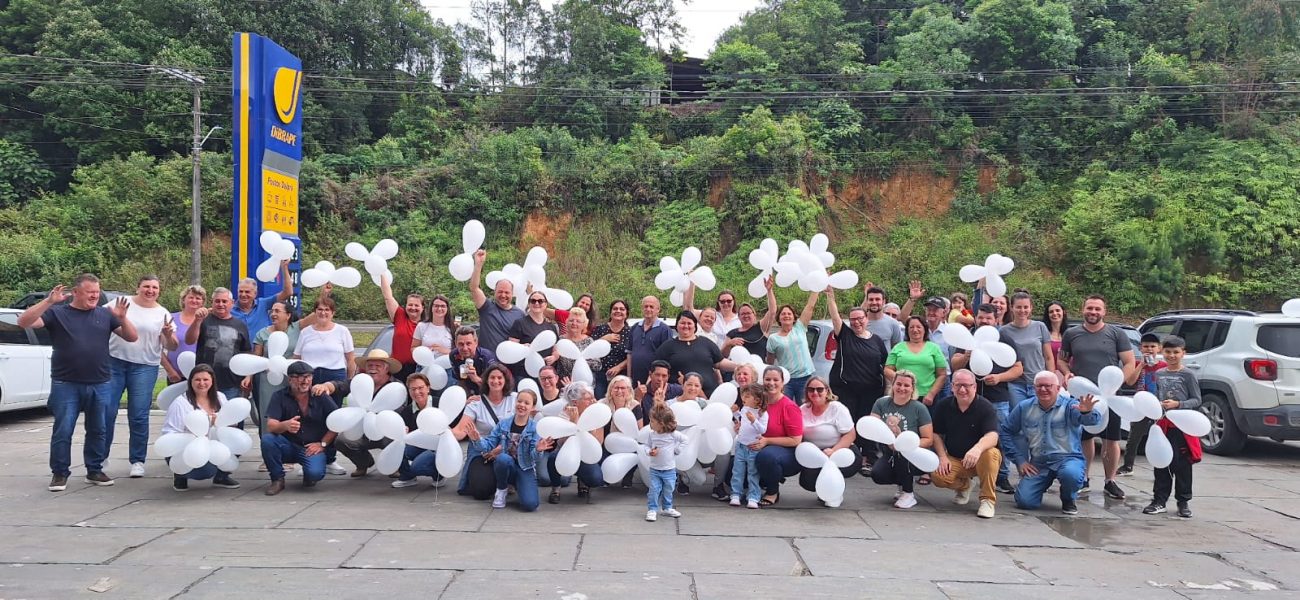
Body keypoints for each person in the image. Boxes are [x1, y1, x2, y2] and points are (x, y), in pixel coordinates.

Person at [20, 276, 138, 492]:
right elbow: (24, 322)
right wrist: (48, 301)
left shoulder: (105, 314)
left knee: (98, 430)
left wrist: (122, 318)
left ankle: (94, 470)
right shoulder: (58, 313)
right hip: (66, 383)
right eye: (89, 291)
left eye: (97, 291)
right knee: (63, 429)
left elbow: (132, 338)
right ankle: (59, 473)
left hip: (100, 382)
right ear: (76, 292)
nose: (95, 295)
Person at [1059, 295, 1137, 500]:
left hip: (1111, 397)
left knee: (1111, 440)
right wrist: (1067, 373)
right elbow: (1062, 360)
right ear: (1083, 309)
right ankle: (1083, 479)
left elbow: (1129, 362)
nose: (1093, 312)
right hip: (1083, 395)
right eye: (1089, 308)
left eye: (1097, 309)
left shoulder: (1116, 333)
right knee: (1084, 438)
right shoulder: (1071, 333)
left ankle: (1110, 481)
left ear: (1104, 311)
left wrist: (1119, 383)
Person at [107, 275, 178, 478]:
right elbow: (100, 321)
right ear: (138, 287)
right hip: (115, 362)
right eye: (146, 286)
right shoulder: (120, 303)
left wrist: (168, 334)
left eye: (154, 287)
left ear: (159, 290)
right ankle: (100, 459)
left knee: (138, 415)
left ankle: (137, 460)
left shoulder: (162, 313)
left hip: (145, 366)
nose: (150, 290)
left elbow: (171, 345)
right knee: (106, 412)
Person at [1002, 371, 1101, 514]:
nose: (1043, 389)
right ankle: (1038, 486)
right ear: (1034, 387)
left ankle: (1068, 498)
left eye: (1048, 386)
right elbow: (1005, 431)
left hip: (1068, 458)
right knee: (1025, 502)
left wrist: (1087, 412)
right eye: (1039, 386)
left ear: (1058, 388)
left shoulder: (1070, 406)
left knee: (1070, 474)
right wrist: (1019, 460)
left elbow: (1091, 421)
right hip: (1039, 463)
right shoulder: (1024, 407)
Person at [952, 303, 1022, 494]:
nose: (984, 321)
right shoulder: (967, 337)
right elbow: (955, 364)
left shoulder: (1004, 337)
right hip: (967, 397)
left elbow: (1018, 368)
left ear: (996, 319)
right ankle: (968, 475)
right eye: (981, 317)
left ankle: (1002, 476)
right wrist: (967, 354)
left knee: (1000, 436)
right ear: (976, 317)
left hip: (997, 397)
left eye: (988, 318)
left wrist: (999, 377)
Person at [825, 288, 887, 471]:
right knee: (847, 424)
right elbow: (835, 316)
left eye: (860, 318)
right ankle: (848, 457)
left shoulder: (876, 341)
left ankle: (868, 458)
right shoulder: (845, 335)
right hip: (846, 390)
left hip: (871, 391)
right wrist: (830, 295)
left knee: (867, 424)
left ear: (867, 319)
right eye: (853, 319)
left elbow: (885, 365)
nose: (857, 322)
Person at [929, 370, 1002, 518]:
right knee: (937, 475)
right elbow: (935, 433)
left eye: (967, 386)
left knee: (991, 454)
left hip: (981, 458)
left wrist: (977, 449)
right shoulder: (944, 405)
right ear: (952, 387)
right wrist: (942, 456)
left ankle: (987, 500)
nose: (962, 390)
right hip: (956, 458)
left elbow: (993, 435)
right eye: (958, 385)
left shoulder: (985, 407)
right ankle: (965, 486)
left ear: (974, 386)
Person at [1144, 336, 1202, 518]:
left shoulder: (1188, 375)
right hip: (1163, 424)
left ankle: (1183, 501)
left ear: (1183, 353)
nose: (1171, 355)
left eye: (1176, 352)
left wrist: (1178, 404)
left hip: (1183, 425)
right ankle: (1159, 500)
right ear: (1162, 352)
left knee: (1182, 463)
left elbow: (1197, 400)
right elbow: (1154, 395)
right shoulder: (1159, 373)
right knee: (1161, 462)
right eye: (1168, 352)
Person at [261, 361, 340, 495]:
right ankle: (277, 479)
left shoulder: (320, 396)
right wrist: (284, 425)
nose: (305, 381)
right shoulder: (279, 396)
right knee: (268, 440)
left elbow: (338, 422)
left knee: (315, 474)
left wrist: (322, 444)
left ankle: (310, 475)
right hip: (289, 445)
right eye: (299, 377)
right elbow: (271, 425)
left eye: (308, 377)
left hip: (312, 447)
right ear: (290, 379)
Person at [244, 300, 318, 438]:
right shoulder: (262, 334)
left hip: (292, 379)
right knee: (268, 414)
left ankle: (289, 451)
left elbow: (315, 315)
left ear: (288, 315)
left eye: (277, 311)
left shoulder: (296, 328)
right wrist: (249, 377)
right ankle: (268, 450)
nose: (273, 314)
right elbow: (255, 359)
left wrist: (324, 293)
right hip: (267, 381)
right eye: (272, 311)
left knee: (291, 412)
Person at [324, 349, 403, 477]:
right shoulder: (360, 381)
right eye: (370, 365)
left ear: (386, 369)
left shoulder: (396, 387)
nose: (373, 369)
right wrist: (327, 386)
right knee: (341, 440)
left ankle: (394, 466)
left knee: (396, 438)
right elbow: (341, 385)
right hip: (360, 430)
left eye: (378, 366)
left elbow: (398, 412)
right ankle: (363, 463)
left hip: (386, 430)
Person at [161, 365, 241, 491]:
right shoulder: (180, 402)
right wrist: (208, 421)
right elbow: (170, 433)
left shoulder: (220, 397)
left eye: (205, 380)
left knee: (238, 440)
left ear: (212, 381)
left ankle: (221, 476)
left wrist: (220, 420)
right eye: (197, 380)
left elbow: (231, 421)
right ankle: (180, 473)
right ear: (190, 381)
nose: (201, 383)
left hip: (213, 444)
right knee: (204, 471)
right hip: (187, 447)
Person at [867, 370, 934, 509]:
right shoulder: (881, 403)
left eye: (906, 385)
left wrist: (909, 445)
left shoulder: (919, 408)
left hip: (914, 455)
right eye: (899, 384)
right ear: (893, 385)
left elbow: (928, 439)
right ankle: (902, 484)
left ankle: (909, 493)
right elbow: (873, 427)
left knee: (902, 453)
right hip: (889, 452)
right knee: (877, 474)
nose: (902, 388)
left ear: (912, 388)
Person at [473, 389, 545, 511]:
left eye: (527, 403)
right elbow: (487, 445)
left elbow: (535, 458)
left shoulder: (535, 428)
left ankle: (519, 484)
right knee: (502, 458)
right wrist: (476, 439)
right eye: (520, 401)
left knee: (530, 505)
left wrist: (538, 449)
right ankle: (502, 488)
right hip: (506, 464)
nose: (522, 405)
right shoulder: (503, 424)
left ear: (532, 407)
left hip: (525, 468)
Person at [797, 376, 859, 507]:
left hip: (840, 449)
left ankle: (836, 491)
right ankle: (825, 489)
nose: (815, 393)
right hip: (815, 453)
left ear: (827, 391)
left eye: (820, 389)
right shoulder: (802, 409)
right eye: (811, 389)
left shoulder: (837, 408)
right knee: (807, 481)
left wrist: (833, 450)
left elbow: (850, 434)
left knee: (835, 465)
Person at [540, 382, 604, 504]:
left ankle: (582, 481)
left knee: (596, 480)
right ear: (575, 402)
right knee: (553, 458)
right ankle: (555, 489)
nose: (593, 401)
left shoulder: (596, 413)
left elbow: (598, 442)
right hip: (565, 454)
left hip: (586, 455)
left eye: (592, 398)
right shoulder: (565, 413)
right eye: (588, 399)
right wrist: (574, 423)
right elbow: (561, 442)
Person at [186, 287, 252, 402]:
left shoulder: (240, 325)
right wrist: (197, 321)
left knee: (231, 418)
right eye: (217, 301)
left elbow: (246, 352)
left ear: (232, 303)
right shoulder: (203, 320)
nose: (220, 304)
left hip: (232, 383)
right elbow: (189, 340)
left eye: (224, 301)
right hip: (205, 382)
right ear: (212, 302)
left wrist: (247, 376)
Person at [753, 366, 804, 507]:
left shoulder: (789, 406)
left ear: (783, 383)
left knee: (766, 457)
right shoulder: (757, 403)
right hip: (761, 446)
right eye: (767, 379)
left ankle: (772, 491)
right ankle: (762, 481)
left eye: (776, 380)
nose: (771, 383)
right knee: (732, 469)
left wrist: (767, 440)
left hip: (787, 451)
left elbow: (796, 439)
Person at [764, 279, 819, 403]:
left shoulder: (799, 327)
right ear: (779, 318)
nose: (786, 315)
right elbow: (770, 363)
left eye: (789, 313)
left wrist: (818, 284)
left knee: (805, 409)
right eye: (783, 314)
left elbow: (810, 306)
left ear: (794, 317)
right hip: (786, 380)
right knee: (784, 408)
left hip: (805, 378)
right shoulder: (773, 338)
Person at [1120, 333, 1167, 476]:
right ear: (1140, 348)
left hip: (1159, 405)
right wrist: (1141, 365)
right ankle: (1128, 466)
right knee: (1134, 437)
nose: (1149, 349)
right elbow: (1129, 382)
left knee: (1162, 436)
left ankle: (1162, 468)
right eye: (1146, 346)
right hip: (1141, 405)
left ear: (1159, 348)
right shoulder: (1136, 365)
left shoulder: (1163, 366)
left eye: (1153, 346)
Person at [392, 373, 448, 488]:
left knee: (418, 466)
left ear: (428, 388)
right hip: (418, 445)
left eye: (420, 388)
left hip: (438, 446)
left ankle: (438, 474)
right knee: (397, 446)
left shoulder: (440, 404)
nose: (417, 392)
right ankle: (408, 476)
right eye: (413, 389)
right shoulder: (407, 411)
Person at [1000, 292, 1056, 405]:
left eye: (1026, 307)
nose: (1022, 310)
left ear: (1031, 308)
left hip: (1039, 382)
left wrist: (1051, 379)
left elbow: (1049, 357)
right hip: (1015, 384)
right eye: (1018, 307)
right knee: (1019, 416)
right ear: (1011, 308)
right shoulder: (1003, 331)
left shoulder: (1040, 326)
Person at [884, 316, 948, 410]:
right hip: (902, 395)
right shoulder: (898, 347)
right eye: (911, 327)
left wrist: (931, 394)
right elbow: (887, 369)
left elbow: (942, 374)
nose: (915, 330)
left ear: (924, 329)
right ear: (907, 330)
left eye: (918, 327)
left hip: (926, 397)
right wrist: (902, 380)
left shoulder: (934, 348)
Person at [468, 249, 524, 354]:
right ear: (494, 292)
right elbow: (474, 288)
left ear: (512, 294)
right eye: (500, 292)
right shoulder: (486, 307)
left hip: (508, 364)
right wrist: (478, 265)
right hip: (486, 361)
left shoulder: (520, 314)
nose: (503, 295)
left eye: (507, 292)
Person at [728, 383, 769, 509]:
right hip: (741, 445)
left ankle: (753, 496)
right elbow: (741, 421)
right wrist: (734, 414)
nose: (743, 399)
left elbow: (762, 430)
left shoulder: (763, 414)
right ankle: (736, 494)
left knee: (753, 472)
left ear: (757, 400)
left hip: (753, 448)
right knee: (737, 471)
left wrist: (754, 421)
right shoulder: (745, 409)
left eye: (747, 396)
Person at [645, 402, 687, 521]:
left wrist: (677, 450)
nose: (650, 424)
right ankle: (652, 509)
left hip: (669, 469)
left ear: (661, 423)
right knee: (654, 489)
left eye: (652, 421)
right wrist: (649, 452)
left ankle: (667, 507)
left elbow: (685, 440)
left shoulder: (673, 434)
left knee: (669, 488)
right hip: (655, 469)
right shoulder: (652, 435)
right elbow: (646, 446)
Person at [378, 273, 424, 380]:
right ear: (406, 306)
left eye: (416, 305)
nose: (413, 307)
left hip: (419, 370)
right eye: (410, 304)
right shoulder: (400, 316)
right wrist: (380, 271)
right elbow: (388, 297)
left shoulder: (426, 324)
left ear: (423, 308)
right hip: (397, 369)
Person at [232, 263, 293, 336]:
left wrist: (284, 267)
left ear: (255, 293)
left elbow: (288, 292)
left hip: (262, 347)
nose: (243, 294)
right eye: (241, 291)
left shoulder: (263, 304)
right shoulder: (229, 309)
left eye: (247, 292)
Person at [163, 285, 206, 385]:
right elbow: (157, 347)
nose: (194, 300)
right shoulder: (171, 318)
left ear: (202, 302)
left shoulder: (207, 320)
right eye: (191, 297)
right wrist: (170, 370)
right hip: (176, 375)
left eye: (198, 298)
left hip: (201, 377)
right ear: (183, 300)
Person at [591, 299, 631, 397]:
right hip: (600, 375)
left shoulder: (631, 332)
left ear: (626, 314)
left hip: (621, 377)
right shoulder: (600, 329)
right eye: (615, 309)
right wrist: (603, 339)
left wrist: (619, 367)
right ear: (610, 312)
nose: (618, 311)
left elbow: (633, 355)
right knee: (599, 403)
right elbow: (589, 350)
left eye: (622, 309)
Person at [629, 295, 673, 385]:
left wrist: (652, 379)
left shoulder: (664, 330)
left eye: (651, 307)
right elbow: (629, 353)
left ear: (658, 310)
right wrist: (628, 376)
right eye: (646, 306)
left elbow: (666, 359)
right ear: (642, 308)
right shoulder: (635, 327)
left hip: (653, 381)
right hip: (634, 379)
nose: (648, 309)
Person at [448, 326, 498, 396]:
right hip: (469, 392)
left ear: (476, 343)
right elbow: (461, 381)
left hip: (488, 394)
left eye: (468, 344)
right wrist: (466, 399)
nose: (465, 348)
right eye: (461, 344)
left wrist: (476, 378)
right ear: (456, 344)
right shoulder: (454, 355)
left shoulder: (487, 357)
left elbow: (495, 388)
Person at [554, 307, 600, 381]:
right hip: (564, 384)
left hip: (585, 384)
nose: (574, 323)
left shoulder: (589, 341)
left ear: (584, 324)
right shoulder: (560, 340)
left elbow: (597, 365)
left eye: (578, 321)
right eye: (571, 320)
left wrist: (580, 362)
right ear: (567, 322)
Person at [858, 284, 904, 350]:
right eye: (871, 299)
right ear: (867, 301)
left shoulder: (893, 324)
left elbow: (898, 349)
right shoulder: (859, 323)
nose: (874, 302)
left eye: (877, 299)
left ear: (883, 302)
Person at [412, 294, 454, 364]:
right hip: (424, 366)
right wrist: (424, 351)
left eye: (443, 306)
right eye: (436, 306)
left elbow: (460, 352)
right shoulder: (421, 326)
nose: (439, 309)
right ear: (431, 308)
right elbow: (413, 348)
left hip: (447, 368)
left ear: (447, 309)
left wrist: (446, 351)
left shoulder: (453, 328)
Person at [1042, 301, 1069, 378]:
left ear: (1063, 312)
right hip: (1048, 375)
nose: (1054, 313)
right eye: (1051, 312)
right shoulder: (1043, 334)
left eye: (1057, 310)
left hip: (1066, 375)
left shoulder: (1069, 334)